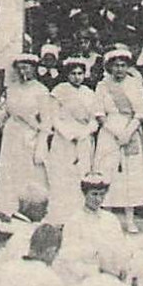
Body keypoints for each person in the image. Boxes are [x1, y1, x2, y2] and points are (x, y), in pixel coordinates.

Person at [93, 47, 143, 232]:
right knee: (108, 172)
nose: (119, 69)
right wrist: (114, 132)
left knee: (130, 175)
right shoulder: (103, 85)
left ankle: (130, 219)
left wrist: (127, 132)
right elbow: (99, 113)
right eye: (116, 66)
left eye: (123, 65)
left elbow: (140, 113)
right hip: (109, 133)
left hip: (131, 130)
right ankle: (106, 218)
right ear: (110, 67)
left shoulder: (135, 84)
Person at [0, 54, 51, 222]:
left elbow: (46, 121)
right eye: (20, 67)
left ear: (34, 68)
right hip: (11, 135)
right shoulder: (12, 88)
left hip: (29, 136)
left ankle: (29, 209)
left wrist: (41, 145)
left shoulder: (41, 90)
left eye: (27, 67)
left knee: (28, 173)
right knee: (9, 173)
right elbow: (6, 112)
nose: (23, 71)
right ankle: (6, 208)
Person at [46, 56, 97, 222]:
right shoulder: (59, 91)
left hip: (83, 138)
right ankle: (60, 214)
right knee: (62, 175)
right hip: (63, 139)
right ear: (67, 74)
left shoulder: (89, 93)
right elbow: (53, 117)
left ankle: (80, 214)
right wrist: (68, 134)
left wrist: (85, 133)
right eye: (73, 73)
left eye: (80, 73)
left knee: (81, 174)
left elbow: (95, 119)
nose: (77, 77)